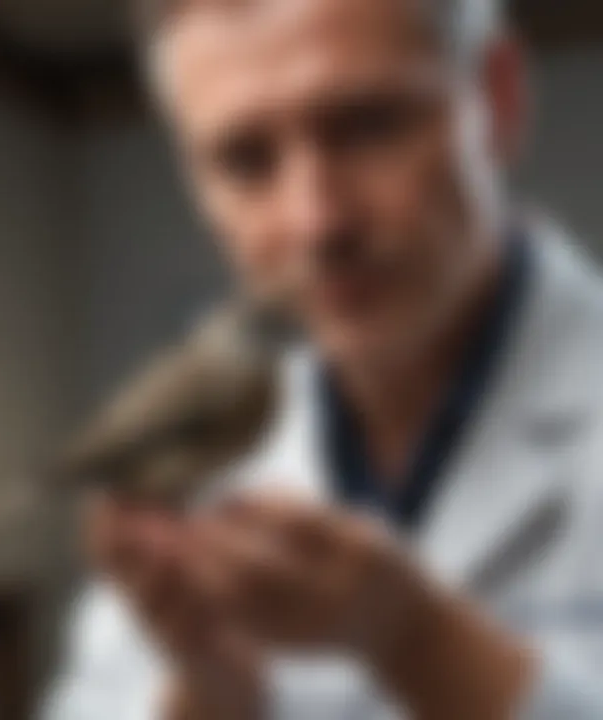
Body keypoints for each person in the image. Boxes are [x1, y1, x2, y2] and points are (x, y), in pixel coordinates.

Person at [45, 0, 603, 717]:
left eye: (368, 126)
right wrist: (210, 691)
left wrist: (417, 642)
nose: (317, 222)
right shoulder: (206, 429)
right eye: (247, 160)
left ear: (496, 101)